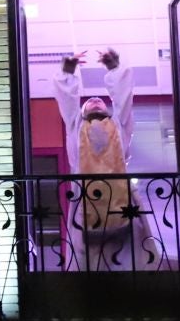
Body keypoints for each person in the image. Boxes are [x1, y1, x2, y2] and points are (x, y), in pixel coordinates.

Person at [51, 49, 162, 271]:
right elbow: (67, 102)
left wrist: (114, 68)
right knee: (89, 259)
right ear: (82, 111)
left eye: (99, 100)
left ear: (107, 109)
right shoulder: (76, 126)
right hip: (85, 199)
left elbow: (123, 99)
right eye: (89, 100)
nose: (94, 100)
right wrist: (67, 73)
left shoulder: (120, 125)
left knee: (128, 255)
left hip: (121, 197)